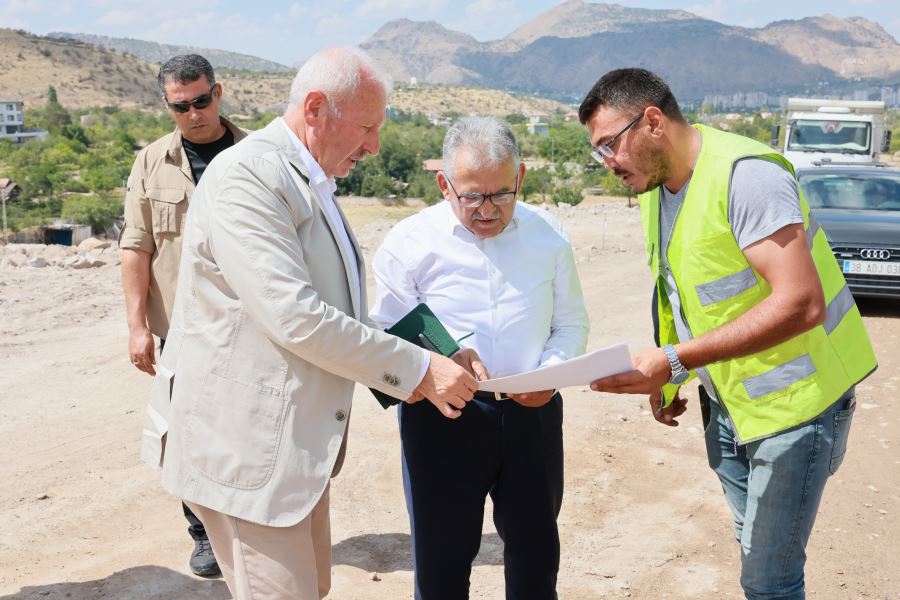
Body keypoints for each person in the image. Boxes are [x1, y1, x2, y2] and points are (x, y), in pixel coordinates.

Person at [139, 47, 477, 600]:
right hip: (247, 451)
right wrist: (418, 369)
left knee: (311, 588)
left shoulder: (303, 177)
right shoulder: (249, 177)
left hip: (291, 452)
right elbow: (296, 317)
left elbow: (337, 310)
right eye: (367, 127)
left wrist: (432, 350)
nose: (375, 145)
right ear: (316, 108)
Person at [580, 68, 877, 600]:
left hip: (798, 410)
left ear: (652, 122)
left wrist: (675, 360)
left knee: (769, 579)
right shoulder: (655, 189)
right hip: (729, 407)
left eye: (609, 144)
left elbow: (802, 302)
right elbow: (680, 296)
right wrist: (670, 379)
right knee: (756, 556)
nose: (607, 163)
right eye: (597, 151)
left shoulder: (747, 176)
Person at [371, 117, 590, 600]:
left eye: (501, 194)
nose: (488, 210)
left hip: (532, 416)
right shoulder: (409, 242)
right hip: (442, 419)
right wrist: (438, 358)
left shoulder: (548, 235)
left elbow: (572, 323)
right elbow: (384, 332)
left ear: (521, 177)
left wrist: (549, 373)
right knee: (441, 567)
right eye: (472, 196)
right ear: (443, 184)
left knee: (535, 561)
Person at [120, 53, 246, 577]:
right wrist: (137, 326)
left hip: (250, 329)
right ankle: (204, 536)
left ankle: (250, 529)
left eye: (200, 101)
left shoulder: (256, 154)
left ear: (218, 92)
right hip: (181, 330)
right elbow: (136, 247)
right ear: (167, 105)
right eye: (180, 106)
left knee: (246, 432)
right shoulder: (151, 163)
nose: (193, 114)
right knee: (187, 437)